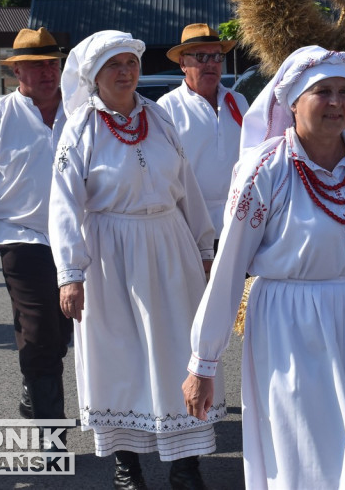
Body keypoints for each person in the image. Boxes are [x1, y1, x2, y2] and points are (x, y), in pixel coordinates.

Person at [183, 45, 345, 490]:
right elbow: (229, 269)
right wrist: (204, 361)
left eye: (344, 92)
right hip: (293, 325)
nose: (336, 103)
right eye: (322, 92)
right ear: (292, 101)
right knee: (308, 446)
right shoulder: (264, 171)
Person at [50, 31, 220, 490]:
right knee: (119, 359)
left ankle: (186, 464)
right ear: (95, 75)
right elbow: (64, 203)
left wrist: (205, 248)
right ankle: (127, 465)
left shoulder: (159, 118)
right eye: (114, 65)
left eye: (130, 62)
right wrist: (71, 273)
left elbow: (188, 184)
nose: (125, 72)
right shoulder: (82, 126)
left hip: (169, 244)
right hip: (109, 255)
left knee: (179, 353)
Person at [0, 27, 73, 429]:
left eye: (52, 64)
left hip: (77, 241)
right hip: (21, 239)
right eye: (36, 66)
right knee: (40, 334)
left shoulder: (82, 111)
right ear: (16, 71)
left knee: (61, 333)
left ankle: (32, 383)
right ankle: (50, 437)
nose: (47, 73)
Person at [158, 23, 248, 248]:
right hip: (189, 229)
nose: (211, 64)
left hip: (238, 224)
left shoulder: (237, 101)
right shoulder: (167, 108)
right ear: (183, 64)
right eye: (201, 57)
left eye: (217, 57)